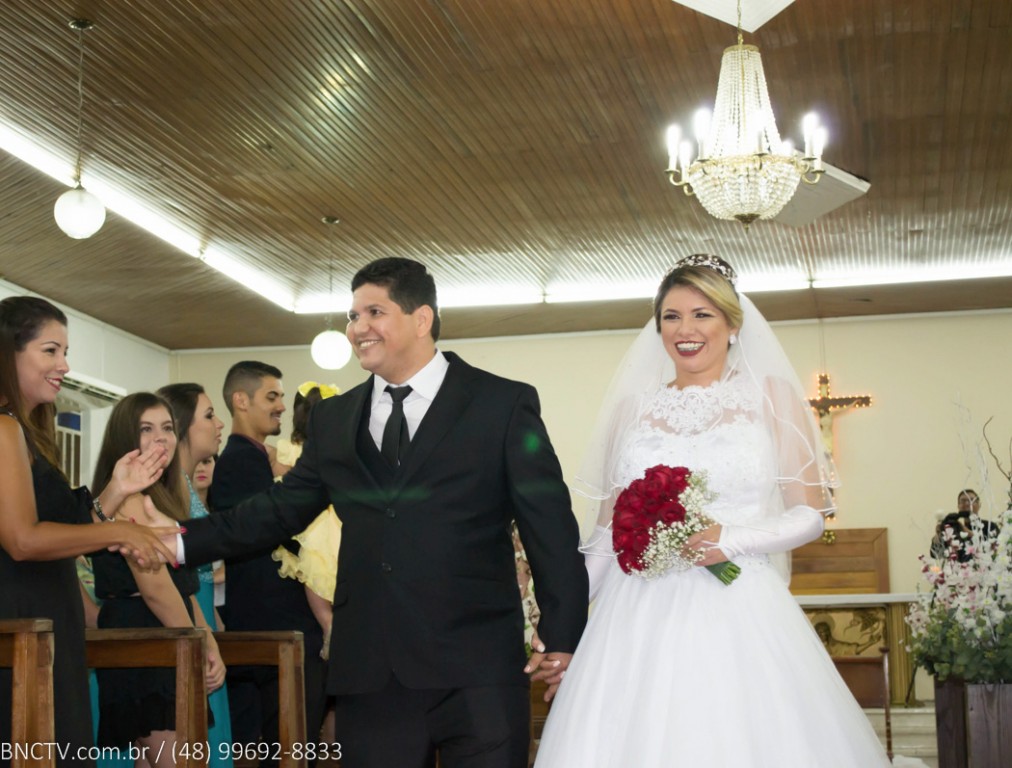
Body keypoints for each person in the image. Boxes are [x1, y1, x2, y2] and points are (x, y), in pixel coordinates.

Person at [168, 257, 588, 768]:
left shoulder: (501, 404)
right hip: (372, 672)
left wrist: (563, 633)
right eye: (352, 316)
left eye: (374, 312)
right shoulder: (335, 417)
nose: (357, 328)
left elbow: (549, 526)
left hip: (478, 668)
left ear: (421, 318)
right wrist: (179, 541)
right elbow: (278, 510)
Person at [532, 255, 891, 767]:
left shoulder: (771, 398)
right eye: (672, 316)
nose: (686, 330)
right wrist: (559, 621)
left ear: (733, 323)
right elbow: (608, 536)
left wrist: (731, 539)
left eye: (702, 314)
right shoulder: (633, 410)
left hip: (736, 601)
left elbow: (810, 514)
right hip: (635, 614)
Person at [0, 296, 176, 767]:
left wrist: (116, 490)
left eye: (65, 352)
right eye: (50, 351)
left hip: (47, 616)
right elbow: (22, 540)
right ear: (8, 352)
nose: (64, 365)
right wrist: (119, 531)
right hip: (22, 617)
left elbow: (64, 530)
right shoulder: (2, 429)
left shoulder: (25, 430)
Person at [91, 393, 226, 768]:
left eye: (167, 428)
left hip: (165, 634)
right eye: (146, 429)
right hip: (146, 639)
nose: (160, 438)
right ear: (125, 438)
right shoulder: (128, 498)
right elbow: (155, 588)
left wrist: (208, 637)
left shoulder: (162, 496)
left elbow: (184, 588)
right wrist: (199, 642)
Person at [208, 361, 327, 755]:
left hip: (277, 621)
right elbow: (263, 533)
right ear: (241, 401)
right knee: (290, 746)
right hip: (273, 622)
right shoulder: (240, 460)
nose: (281, 406)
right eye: (272, 396)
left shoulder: (258, 458)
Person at [157, 383, 233, 768]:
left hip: (202, 622)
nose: (219, 424)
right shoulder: (170, 492)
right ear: (182, 426)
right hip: (185, 627)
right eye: (209, 415)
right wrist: (204, 634)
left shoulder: (184, 487)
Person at [270, 381, 343, 658]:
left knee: (318, 568)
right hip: (319, 519)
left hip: (322, 516)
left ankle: (329, 624)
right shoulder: (293, 448)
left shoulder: (290, 449)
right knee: (319, 565)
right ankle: (330, 626)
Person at [930, 488, 1000, 561]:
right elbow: (935, 554)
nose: (967, 504)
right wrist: (938, 535)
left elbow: (994, 550)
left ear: (979, 505)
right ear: (958, 506)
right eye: (963, 501)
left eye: (971, 500)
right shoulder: (954, 528)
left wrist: (968, 533)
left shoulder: (990, 526)